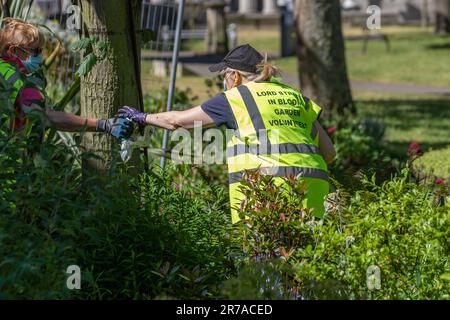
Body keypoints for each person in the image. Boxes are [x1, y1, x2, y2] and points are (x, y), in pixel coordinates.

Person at [118, 44, 336, 224]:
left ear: (234, 75)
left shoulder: (236, 98)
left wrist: (141, 117)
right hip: (314, 190)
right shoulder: (295, 97)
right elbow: (329, 153)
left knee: (266, 266)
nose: (223, 82)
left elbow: (177, 121)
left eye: (223, 76)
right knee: (304, 264)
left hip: (268, 193)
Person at [0, 18, 132, 143]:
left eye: (40, 50)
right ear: (13, 50)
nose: (39, 56)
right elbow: (48, 117)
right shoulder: (20, 80)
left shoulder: (3, 68)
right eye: (34, 51)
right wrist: (103, 124)